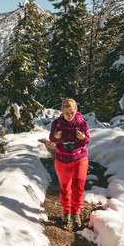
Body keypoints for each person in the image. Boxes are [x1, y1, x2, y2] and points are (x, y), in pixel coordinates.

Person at [49, 98, 91, 230]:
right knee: (65, 187)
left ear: (76, 111)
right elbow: (51, 138)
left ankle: (76, 213)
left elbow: (88, 140)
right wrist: (55, 135)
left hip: (80, 158)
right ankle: (66, 212)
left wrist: (82, 137)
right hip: (62, 159)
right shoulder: (56, 123)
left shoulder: (82, 123)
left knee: (78, 186)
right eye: (66, 112)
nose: (69, 115)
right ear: (61, 111)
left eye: (72, 112)